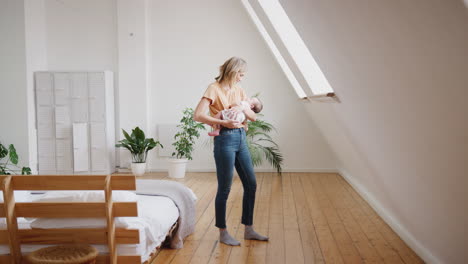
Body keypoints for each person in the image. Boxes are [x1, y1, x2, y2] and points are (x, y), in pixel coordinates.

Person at [194, 57, 269, 246]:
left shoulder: (239, 90)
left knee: (251, 184)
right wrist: (222, 122)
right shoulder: (213, 88)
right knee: (225, 188)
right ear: (233, 72)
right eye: (241, 74)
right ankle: (223, 232)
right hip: (225, 139)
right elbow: (198, 115)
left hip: (241, 138)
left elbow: (252, 116)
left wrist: (245, 109)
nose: (242, 78)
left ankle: (248, 229)